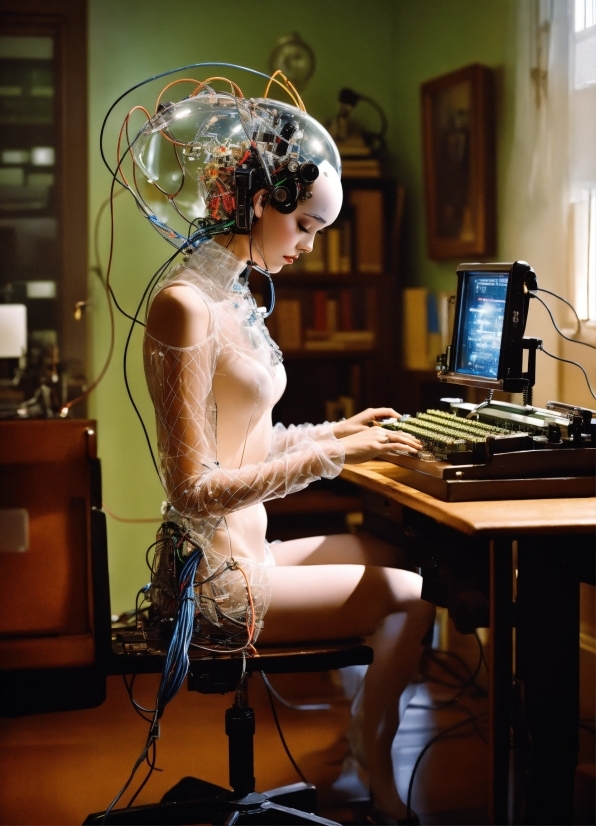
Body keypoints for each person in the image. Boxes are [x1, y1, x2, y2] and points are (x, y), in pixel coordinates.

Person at [136, 81, 435, 824]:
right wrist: (331, 457)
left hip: (253, 556)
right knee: (413, 594)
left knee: (392, 557)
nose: (307, 244)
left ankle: (367, 741)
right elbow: (193, 489)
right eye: (304, 223)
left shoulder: (233, 297)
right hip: (217, 589)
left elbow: (250, 444)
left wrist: (337, 433)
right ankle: (376, 754)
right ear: (259, 200)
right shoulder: (185, 305)